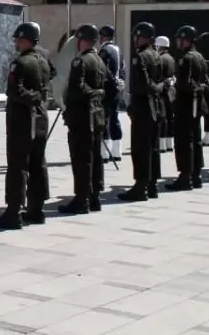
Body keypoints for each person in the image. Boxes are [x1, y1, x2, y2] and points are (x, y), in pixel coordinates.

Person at [0, 22, 50, 230]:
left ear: (25, 39)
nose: (16, 42)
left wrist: (32, 97)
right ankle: (37, 209)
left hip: (23, 121)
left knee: (18, 166)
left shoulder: (20, 63)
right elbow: (51, 76)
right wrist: (39, 96)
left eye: (18, 39)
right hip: (41, 119)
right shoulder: (43, 60)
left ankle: (13, 213)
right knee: (38, 163)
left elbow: (14, 92)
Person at [59, 24, 106, 214]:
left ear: (83, 41)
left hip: (82, 117)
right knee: (95, 158)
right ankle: (95, 197)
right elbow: (106, 89)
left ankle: (81, 199)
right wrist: (97, 93)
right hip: (97, 116)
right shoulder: (100, 60)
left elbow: (76, 90)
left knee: (81, 159)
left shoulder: (81, 62)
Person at [121, 22, 163, 202]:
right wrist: (158, 89)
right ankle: (152, 185)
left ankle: (140, 186)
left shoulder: (140, 57)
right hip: (156, 106)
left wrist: (153, 89)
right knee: (153, 147)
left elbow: (145, 85)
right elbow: (161, 80)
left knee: (140, 148)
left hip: (143, 106)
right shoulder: (157, 55)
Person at [169, 26, 206, 191]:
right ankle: (196, 174)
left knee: (184, 141)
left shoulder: (186, 58)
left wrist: (173, 86)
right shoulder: (200, 56)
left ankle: (185, 176)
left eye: (180, 39)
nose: (178, 42)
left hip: (186, 103)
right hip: (196, 104)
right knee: (196, 139)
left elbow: (185, 84)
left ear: (186, 40)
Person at [97, 26, 124, 163]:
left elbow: (104, 70)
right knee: (115, 118)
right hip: (117, 89)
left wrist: (112, 83)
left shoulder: (104, 50)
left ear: (102, 36)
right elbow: (122, 69)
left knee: (105, 119)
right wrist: (120, 82)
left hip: (107, 89)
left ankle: (104, 153)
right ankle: (117, 151)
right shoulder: (118, 49)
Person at [155, 36, 176, 156]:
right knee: (169, 116)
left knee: (162, 118)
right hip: (170, 90)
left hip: (162, 90)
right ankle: (169, 144)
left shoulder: (160, 58)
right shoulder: (171, 58)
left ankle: (162, 144)